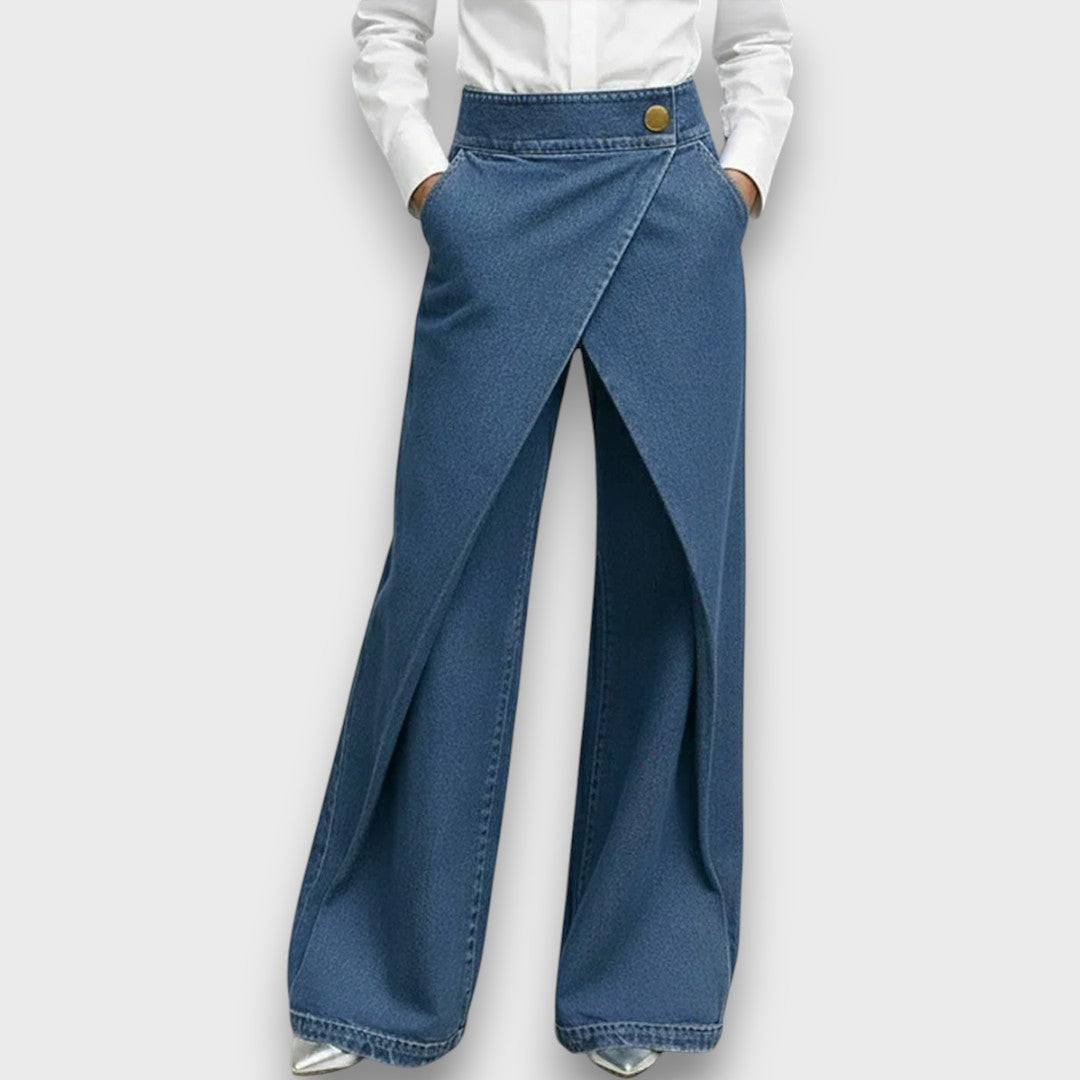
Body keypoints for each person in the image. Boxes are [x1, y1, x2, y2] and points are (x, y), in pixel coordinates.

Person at [286, 0, 794, 1075]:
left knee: (675, 581)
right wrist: (430, 185)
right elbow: (385, 27)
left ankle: (640, 987)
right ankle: (374, 987)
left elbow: (757, 39)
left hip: (671, 192)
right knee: (440, 579)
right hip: (494, 194)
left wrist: (738, 182)